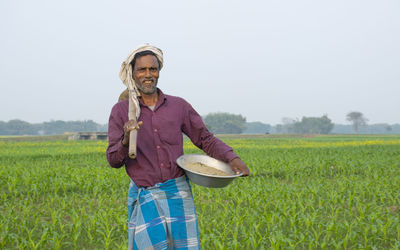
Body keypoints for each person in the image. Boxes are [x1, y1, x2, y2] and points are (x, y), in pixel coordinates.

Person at [106, 44, 249, 250]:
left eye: (153, 69)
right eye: (142, 69)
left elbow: (204, 138)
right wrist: (126, 139)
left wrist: (232, 158)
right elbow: (113, 160)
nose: (148, 74)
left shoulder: (178, 106)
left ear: (159, 72)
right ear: (133, 73)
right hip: (146, 195)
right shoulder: (122, 111)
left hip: (177, 193)